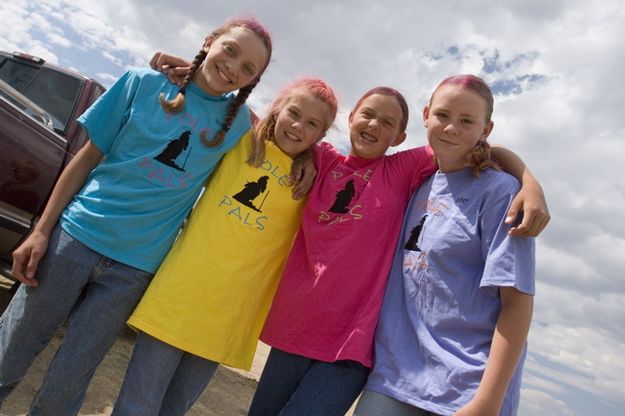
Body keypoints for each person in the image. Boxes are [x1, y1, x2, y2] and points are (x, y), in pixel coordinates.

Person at [0, 17, 272, 416]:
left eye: (248, 68)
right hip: (75, 238)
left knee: (70, 378)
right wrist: (41, 231)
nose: (234, 67)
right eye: (230, 50)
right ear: (210, 41)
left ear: (252, 82)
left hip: (134, 270)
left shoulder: (237, 130)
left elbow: (288, 138)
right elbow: (86, 158)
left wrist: (308, 165)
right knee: (14, 344)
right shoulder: (140, 83)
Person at [247, 86, 549, 416]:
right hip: (297, 327)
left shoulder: (401, 170)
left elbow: (469, 144)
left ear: (401, 136)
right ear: (351, 117)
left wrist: (527, 181)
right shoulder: (322, 159)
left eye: (388, 122)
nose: (375, 125)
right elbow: (276, 131)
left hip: (352, 344)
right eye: (368, 114)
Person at [110, 78, 338, 416]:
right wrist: (179, 67)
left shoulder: (312, 178)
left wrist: (315, 156)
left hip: (231, 315)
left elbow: (354, 166)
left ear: (320, 135)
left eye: (312, 124)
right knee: (136, 406)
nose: (298, 126)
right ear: (278, 108)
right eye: (294, 113)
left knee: (175, 409)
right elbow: (209, 94)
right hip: (179, 294)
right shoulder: (239, 137)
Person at [354, 75, 535, 416]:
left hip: (465, 389)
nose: (451, 128)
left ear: (486, 128)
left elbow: (518, 302)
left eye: (467, 121)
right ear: (426, 115)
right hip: (394, 377)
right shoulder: (417, 180)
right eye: (443, 116)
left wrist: (487, 401)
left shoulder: (501, 192)